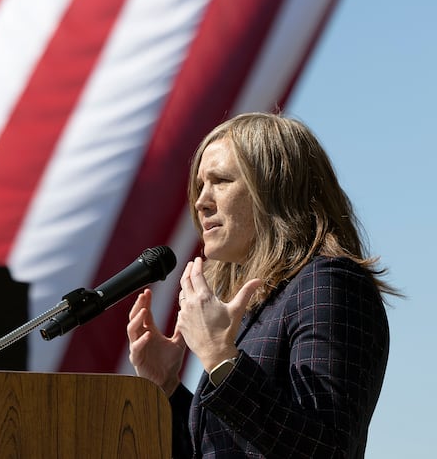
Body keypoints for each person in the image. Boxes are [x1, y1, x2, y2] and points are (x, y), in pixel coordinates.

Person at [127, 112, 397, 458]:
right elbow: (228, 447)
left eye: (221, 180)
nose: (201, 201)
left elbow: (325, 448)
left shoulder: (329, 283)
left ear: (276, 188)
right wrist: (166, 387)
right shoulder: (266, 301)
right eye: (199, 186)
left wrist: (221, 359)